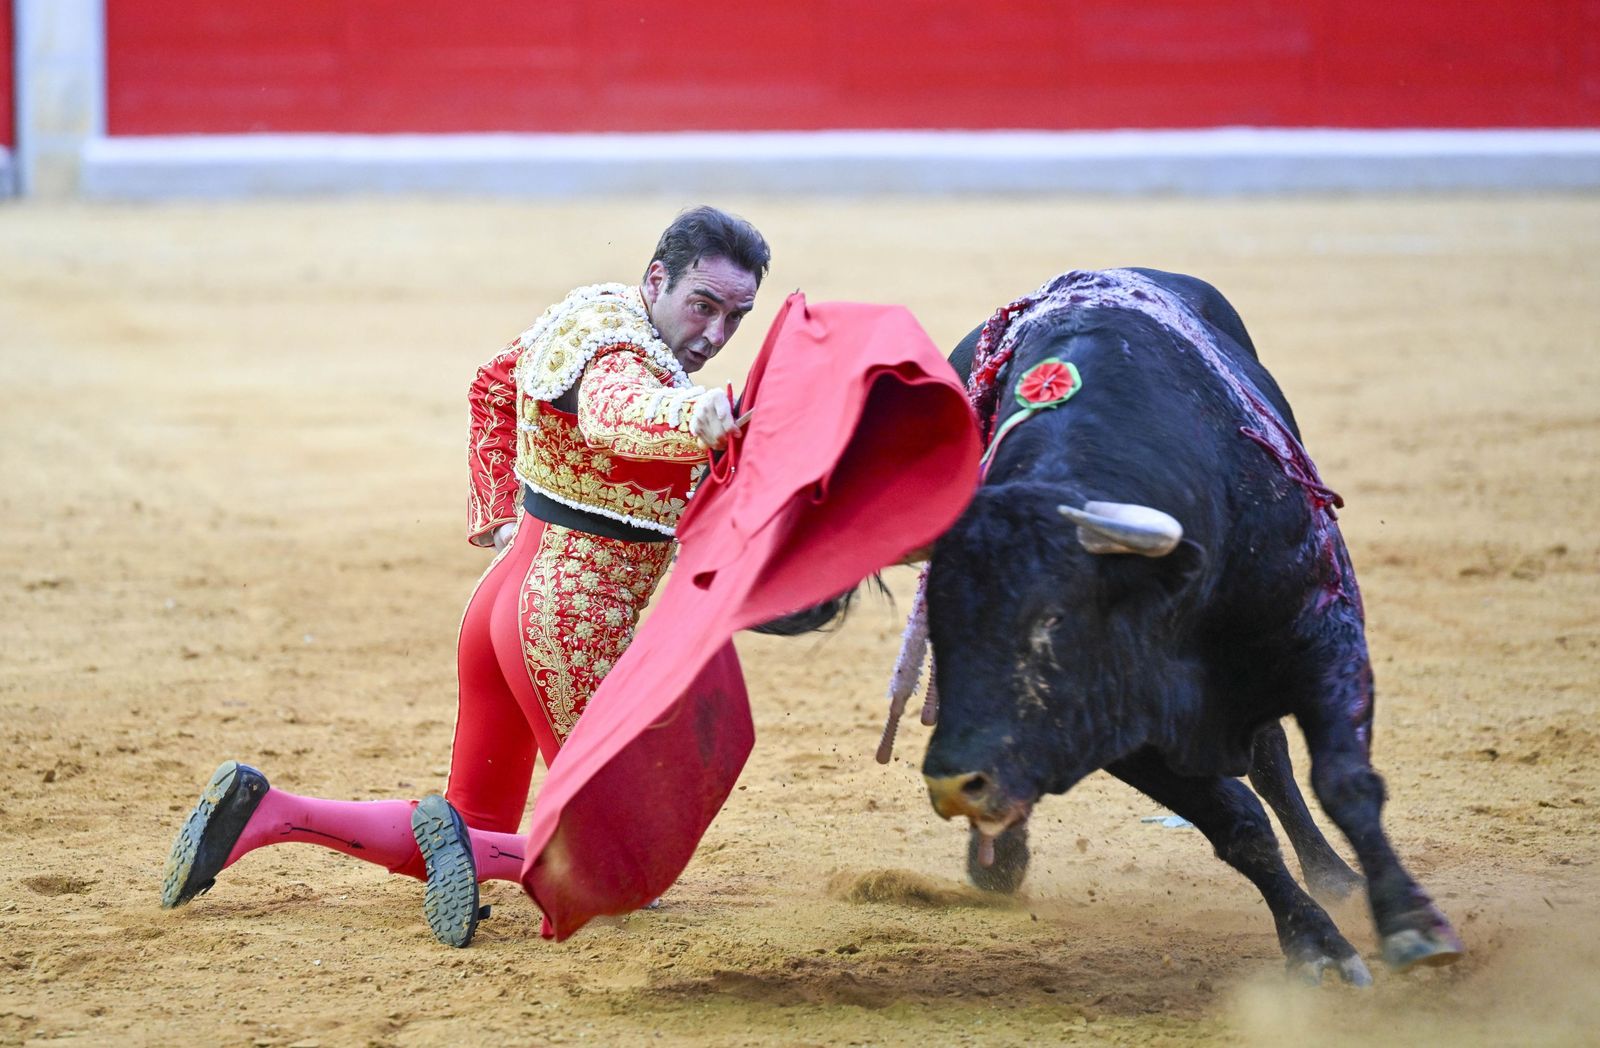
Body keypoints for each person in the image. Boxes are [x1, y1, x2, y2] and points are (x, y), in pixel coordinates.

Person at [161, 206, 771, 948]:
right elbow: (618, 413)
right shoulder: (626, 361)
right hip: (567, 625)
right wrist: (694, 416)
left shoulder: (592, 314)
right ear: (657, 279)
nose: (714, 333)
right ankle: (480, 855)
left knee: (472, 817)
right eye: (701, 305)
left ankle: (272, 813)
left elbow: (492, 384)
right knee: (629, 861)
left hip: (503, 603)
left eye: (735, 316)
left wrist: (502, 514)